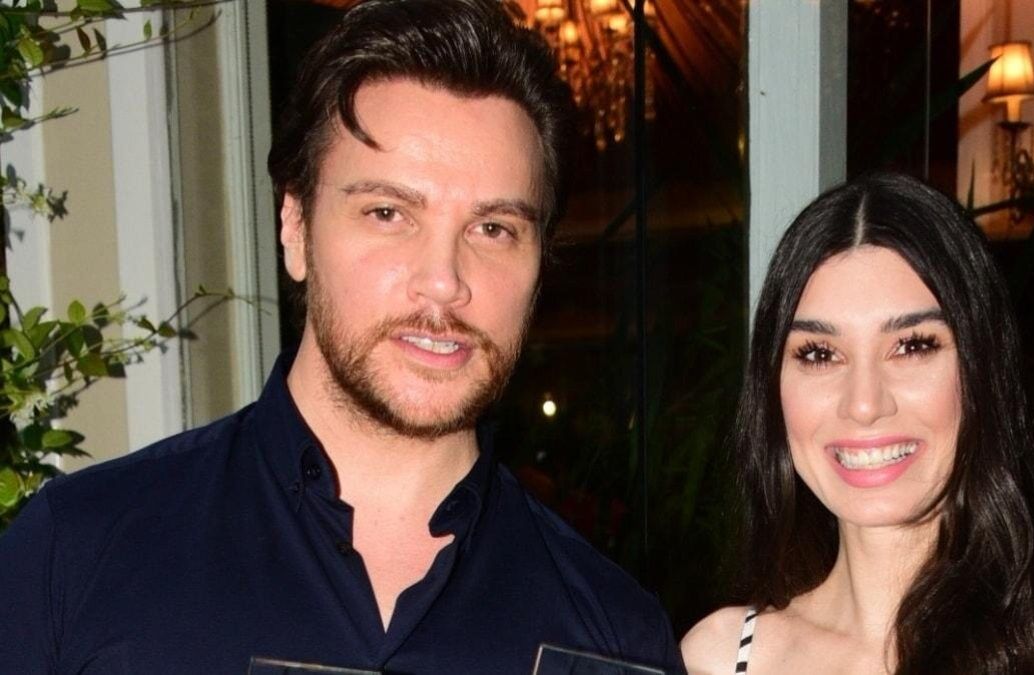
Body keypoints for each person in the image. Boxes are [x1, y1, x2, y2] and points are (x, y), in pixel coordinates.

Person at [0, 1, 682, 672]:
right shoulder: (75, 556)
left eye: (493, 228)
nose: (443, 282)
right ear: (295, 228)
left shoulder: (617, 636)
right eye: (388, 213)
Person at [681, 173, 1034, 673]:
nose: (864, 404)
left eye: (912, 346)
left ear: (982, 371)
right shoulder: (720, 658)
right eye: (819, 353)